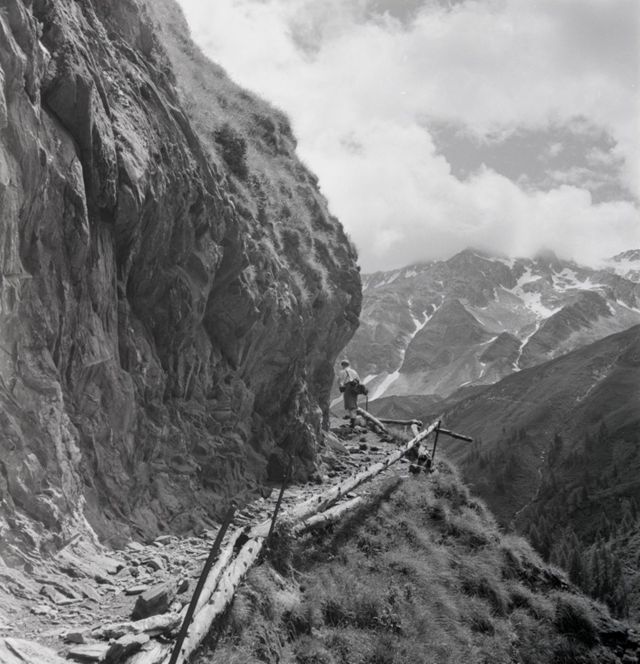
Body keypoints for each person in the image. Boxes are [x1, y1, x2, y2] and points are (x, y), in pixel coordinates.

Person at [338, 359, 360, 429]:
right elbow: (358, 380)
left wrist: (341, 387)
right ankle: (353, 421)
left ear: (343, 365)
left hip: (348, 388)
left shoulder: (342, 372)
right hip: (355, 389)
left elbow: (340, 381)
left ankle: (352, 423)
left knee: (350, 405)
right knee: (353, 405)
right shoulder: (354, 371)